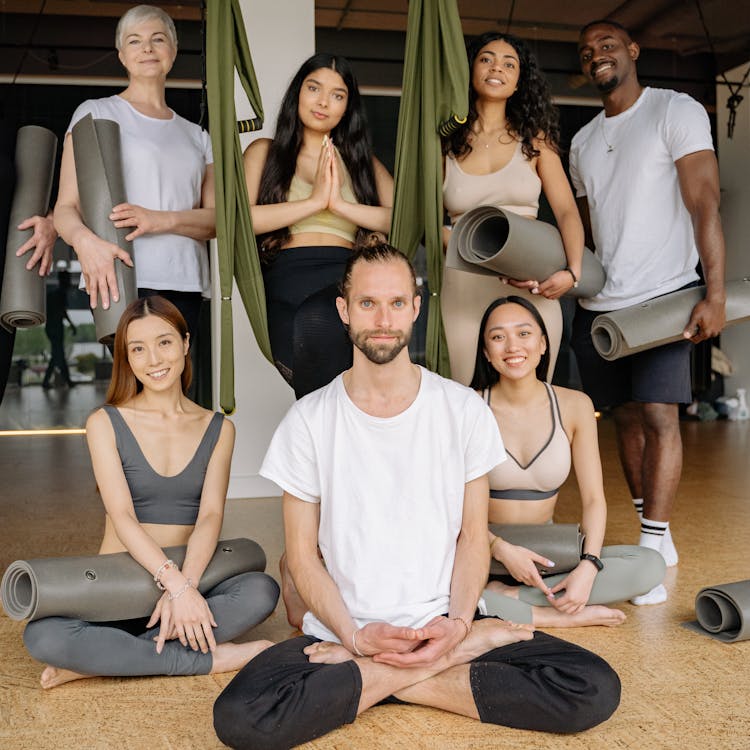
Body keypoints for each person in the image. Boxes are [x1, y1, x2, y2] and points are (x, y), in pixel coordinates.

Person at [212, 240, 620, 749]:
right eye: (367, 303)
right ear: (344, 310)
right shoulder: (308, 421)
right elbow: (301, 556)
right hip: (340, 634)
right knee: (240, 718)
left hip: (444, 622)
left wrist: (455, 627)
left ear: (416, 307)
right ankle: (423, 671)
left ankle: (381, 681)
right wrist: (357, 639)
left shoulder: (461, 410)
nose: (383, 318)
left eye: (397, 303)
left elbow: (473, 537)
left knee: (594, 687)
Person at [23, 296, 279, 689]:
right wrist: (171, 583)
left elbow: (210, 516)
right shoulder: (104, 422)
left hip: (191, 577)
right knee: (42, 635)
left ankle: (103, 661)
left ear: (185, 344)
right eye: (137, 349)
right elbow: (122, 516)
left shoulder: (218, 428)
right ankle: (207, 659)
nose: (154, 360)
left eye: (164, 342)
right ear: (127, 359)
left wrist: (187, 587)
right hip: (121, 582)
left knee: (261, 590)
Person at [569, 20, 726, 604]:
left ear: (633, 51)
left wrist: (712, 292)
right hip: (602, 306)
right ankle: (653, 536)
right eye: (587, 52)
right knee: (627, 419)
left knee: (661, 416)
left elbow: (704, 199)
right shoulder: (582, 141)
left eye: (607, 45)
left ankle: (653, 547)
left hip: (663, 297)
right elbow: (585, 233)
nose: (597, 56)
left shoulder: (674, 110)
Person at [470, 296, 665, 625]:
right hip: (483, 549)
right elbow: (449, 506)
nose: (512, 346)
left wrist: (589, 565)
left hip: (548, 552)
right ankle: (554, 615)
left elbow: (593, 499)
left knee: (650, 565)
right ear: (487, 352)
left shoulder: (575, 405)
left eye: (524, 333)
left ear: (543, 344)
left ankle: (508, 599)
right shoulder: (468, 407)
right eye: (498, 337)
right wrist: (499, 548)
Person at [54, 4, 215, 339]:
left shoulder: (197, 136)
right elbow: (66, 208)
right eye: (135, 41)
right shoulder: (95, 112)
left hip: (185, 281)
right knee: (133, 388)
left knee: (173, 387)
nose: (147, 48)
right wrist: (85, 244)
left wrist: (159, 219)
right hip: (119, 275)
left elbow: (214, 221)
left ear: (172, 51)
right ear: (121, 55)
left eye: (158, 39)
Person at [244, 53, 393, 398]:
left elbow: (401, 217)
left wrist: (338, 204)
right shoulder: (264, 152)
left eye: (337, 95)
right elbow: (242, 220)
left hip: (347, 280)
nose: (323, 102)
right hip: (286, 276)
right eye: (314, 88)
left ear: (347, 108)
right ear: (298, 93)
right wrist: (312, 202)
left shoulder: (360, 163)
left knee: (343, 383)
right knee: (321, 383)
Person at [441, 32, 585, 385]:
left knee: (531, 393)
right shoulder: (443, 141)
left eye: (509, 64)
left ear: (520, 80)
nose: (497, 68)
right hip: (464, 283)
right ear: (471, 70)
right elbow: (428, 222)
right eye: (486, 59)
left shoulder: (535, 139)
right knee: (464, 395)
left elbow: (567, 211)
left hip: (531, 282)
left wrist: (572, 273)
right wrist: (452, 240)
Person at [42, 270, 77, 389]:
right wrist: (72, 325)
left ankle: (47, 381)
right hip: (56, 329)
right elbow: (63, 312)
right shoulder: (60, 294)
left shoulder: (54, 294)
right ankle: (67, 380)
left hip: (52, 328)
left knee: (56, 355)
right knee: (59, 355)